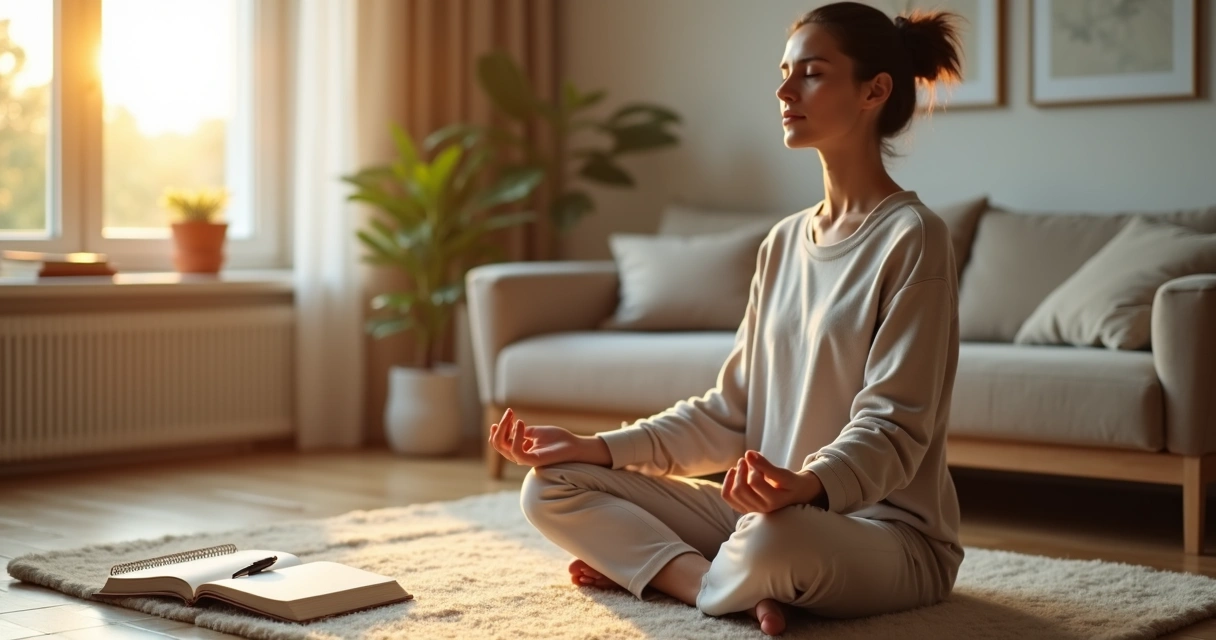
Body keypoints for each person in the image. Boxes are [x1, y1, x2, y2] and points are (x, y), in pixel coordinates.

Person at [488, 2, 965, 635]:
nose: (784, 90)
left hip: (884, 535)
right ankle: (705, 585)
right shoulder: (782, 242)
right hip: (765, 515)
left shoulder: (914, 237)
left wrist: (804, 485)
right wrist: (597, 447)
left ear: (874, 91)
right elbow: (727, 413)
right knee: (550, 486)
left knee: (774, 543)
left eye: (812, 73)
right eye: (784, 71)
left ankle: (661, 571)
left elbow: (894, 430)